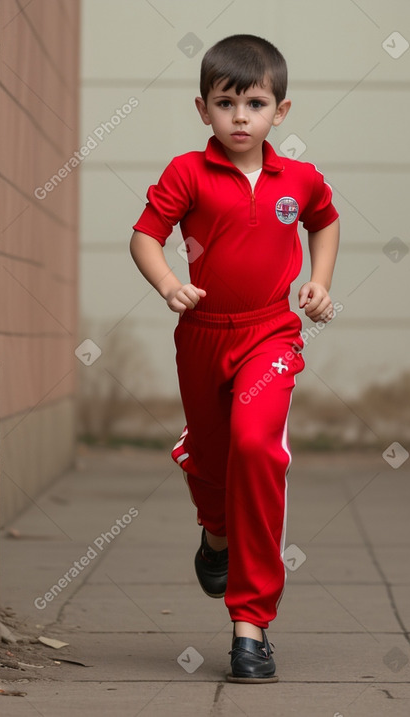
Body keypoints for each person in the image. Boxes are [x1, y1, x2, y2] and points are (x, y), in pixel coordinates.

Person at [130, 34, 339, 683]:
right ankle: (214, 529)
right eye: (227, 102)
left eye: (255, 102)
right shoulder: (187, 173)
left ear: (280, 110)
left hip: (270, 336)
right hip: (201, 335)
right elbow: (145, 236)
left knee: (255, 447)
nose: (240, 116)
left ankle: (250, 625)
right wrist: (169, 283)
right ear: (204, 109)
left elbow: (324, 221)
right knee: (214, 455)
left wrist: (319, 280)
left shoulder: (298, 178)